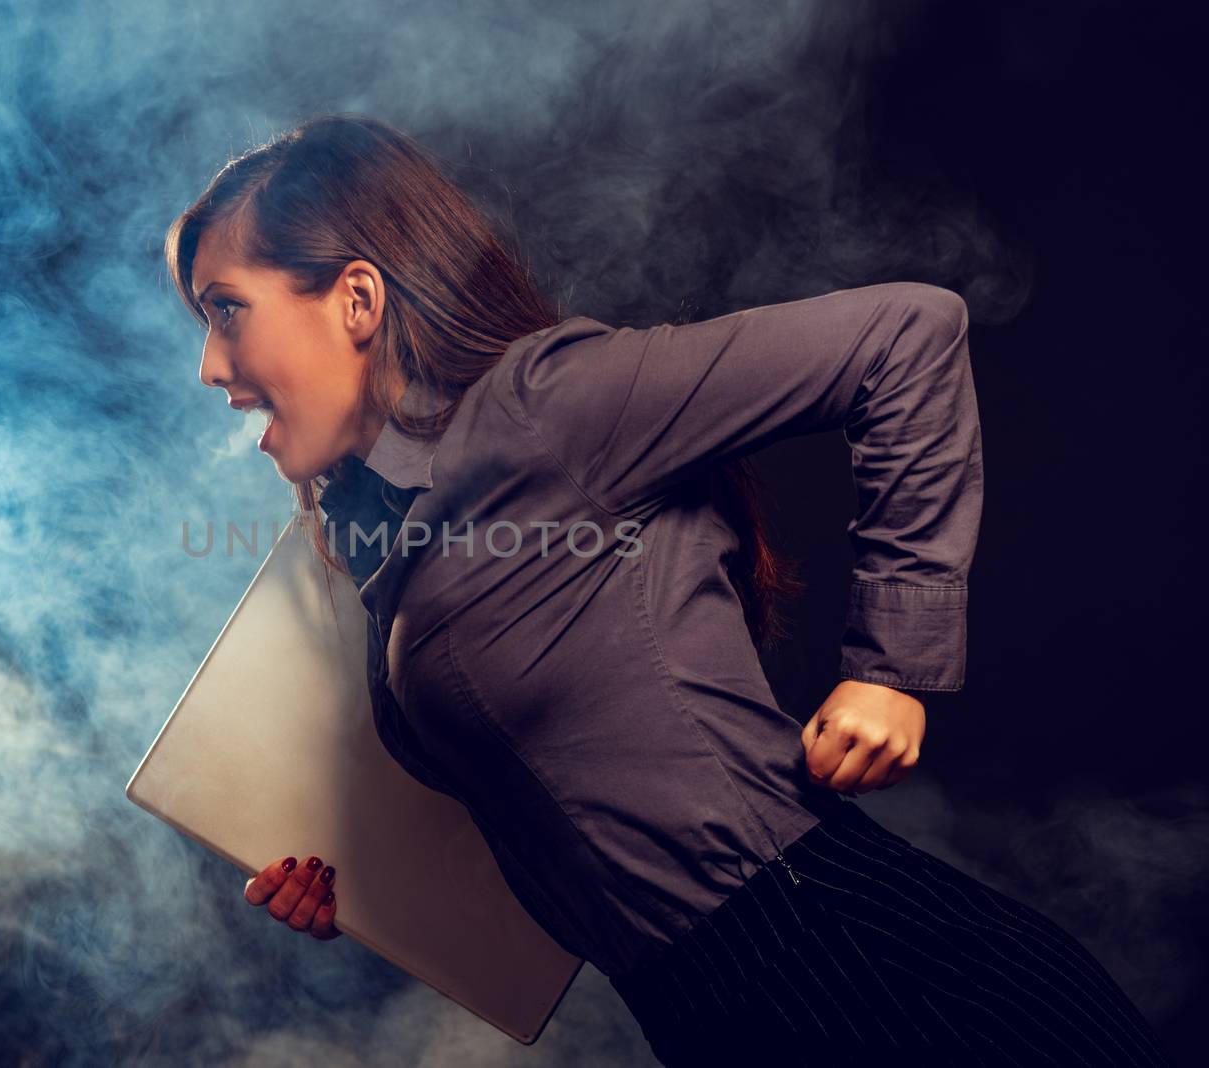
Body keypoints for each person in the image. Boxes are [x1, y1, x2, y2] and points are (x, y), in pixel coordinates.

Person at [164, 113, 1174, 1066]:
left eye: (225, 311)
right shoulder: (386, 553)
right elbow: (570, 809)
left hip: (864, 961)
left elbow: (907, 337)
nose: (211, 366)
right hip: (713, 1012)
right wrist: (360, 895)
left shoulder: (544, 407)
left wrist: (892, 672)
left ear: (355, 299)